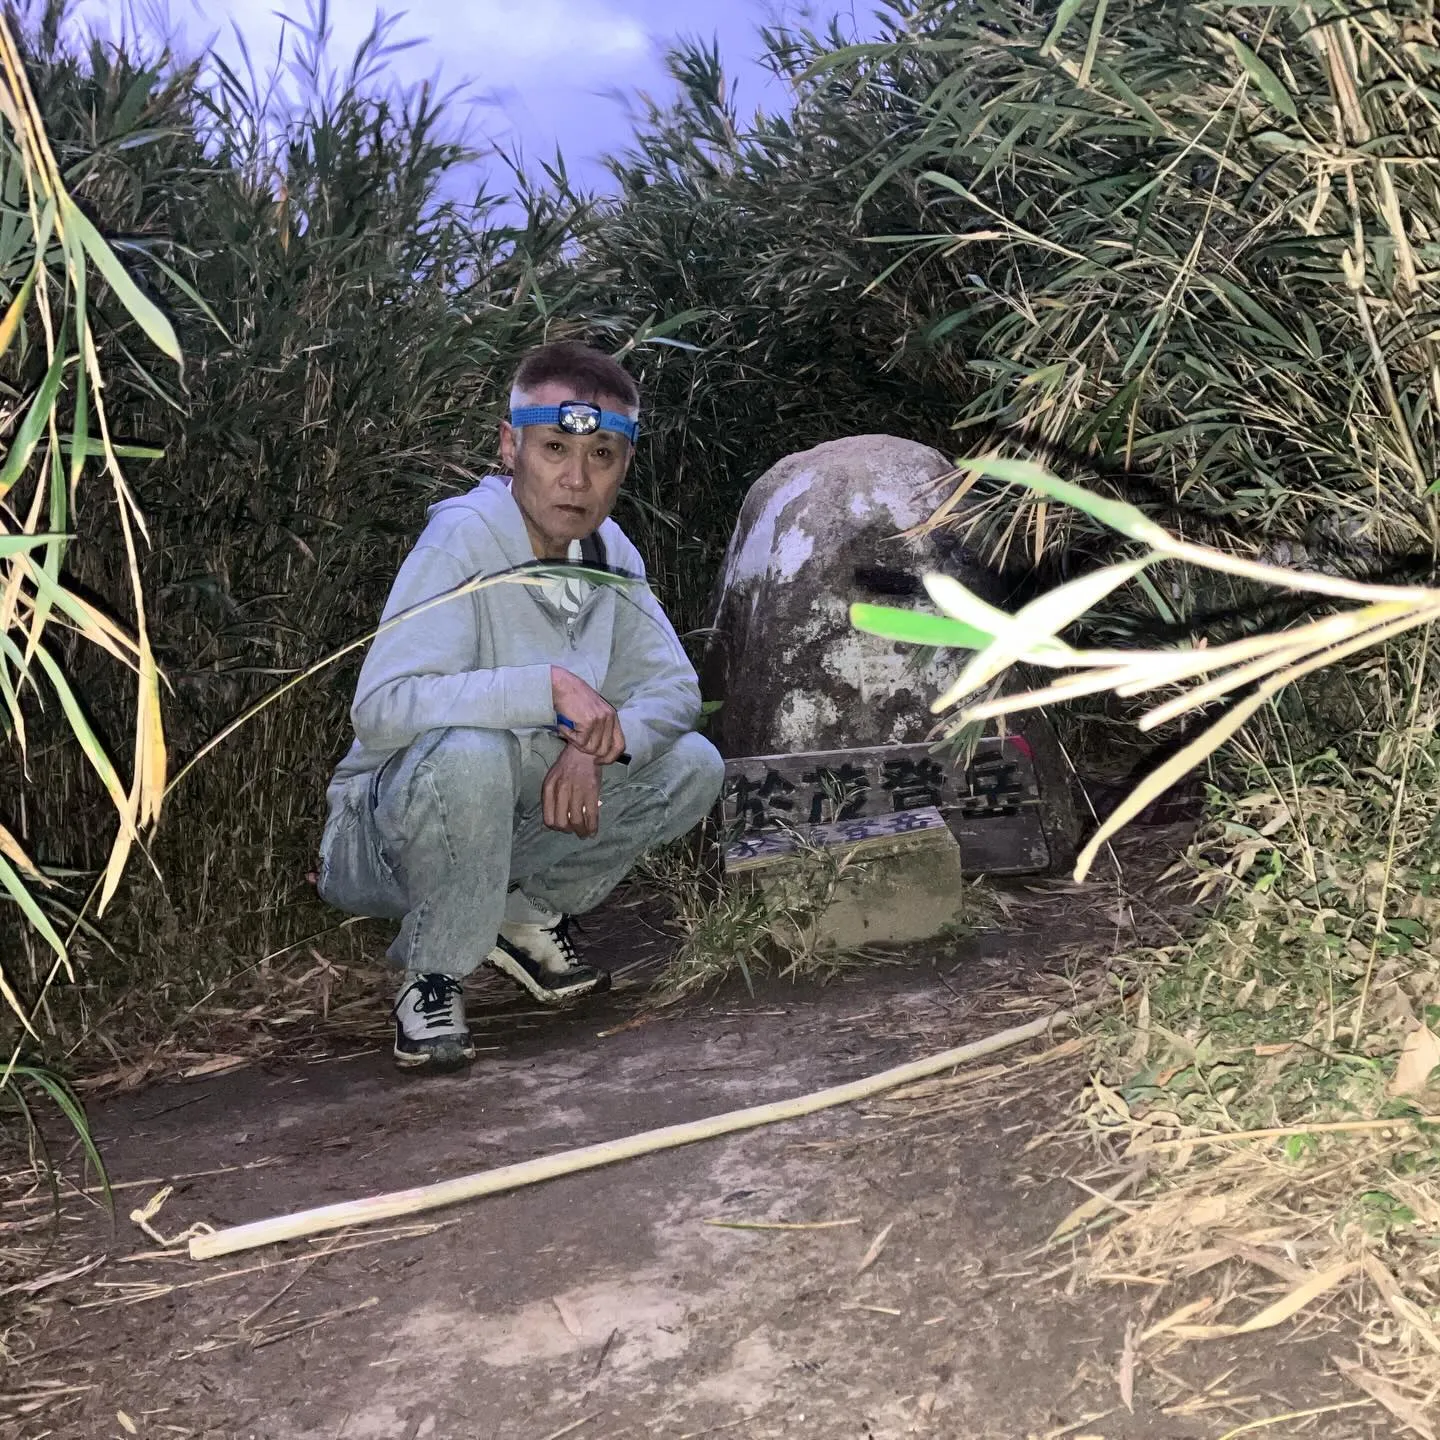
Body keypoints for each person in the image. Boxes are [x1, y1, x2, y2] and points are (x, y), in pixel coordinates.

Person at [316, 341, 724, 1070]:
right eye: (554, 448)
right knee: (473, 751)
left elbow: (676, 692)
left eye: (602, 455)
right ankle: (434, 974)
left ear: (625, 464)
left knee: (691, 764)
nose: (576, 478)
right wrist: (546, 688)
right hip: (381, 839)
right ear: (511, 446)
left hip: (509, 823)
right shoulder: (462, 538)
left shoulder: (609, 553)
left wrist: (595, 740)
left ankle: (521, 915)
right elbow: (381, 708)